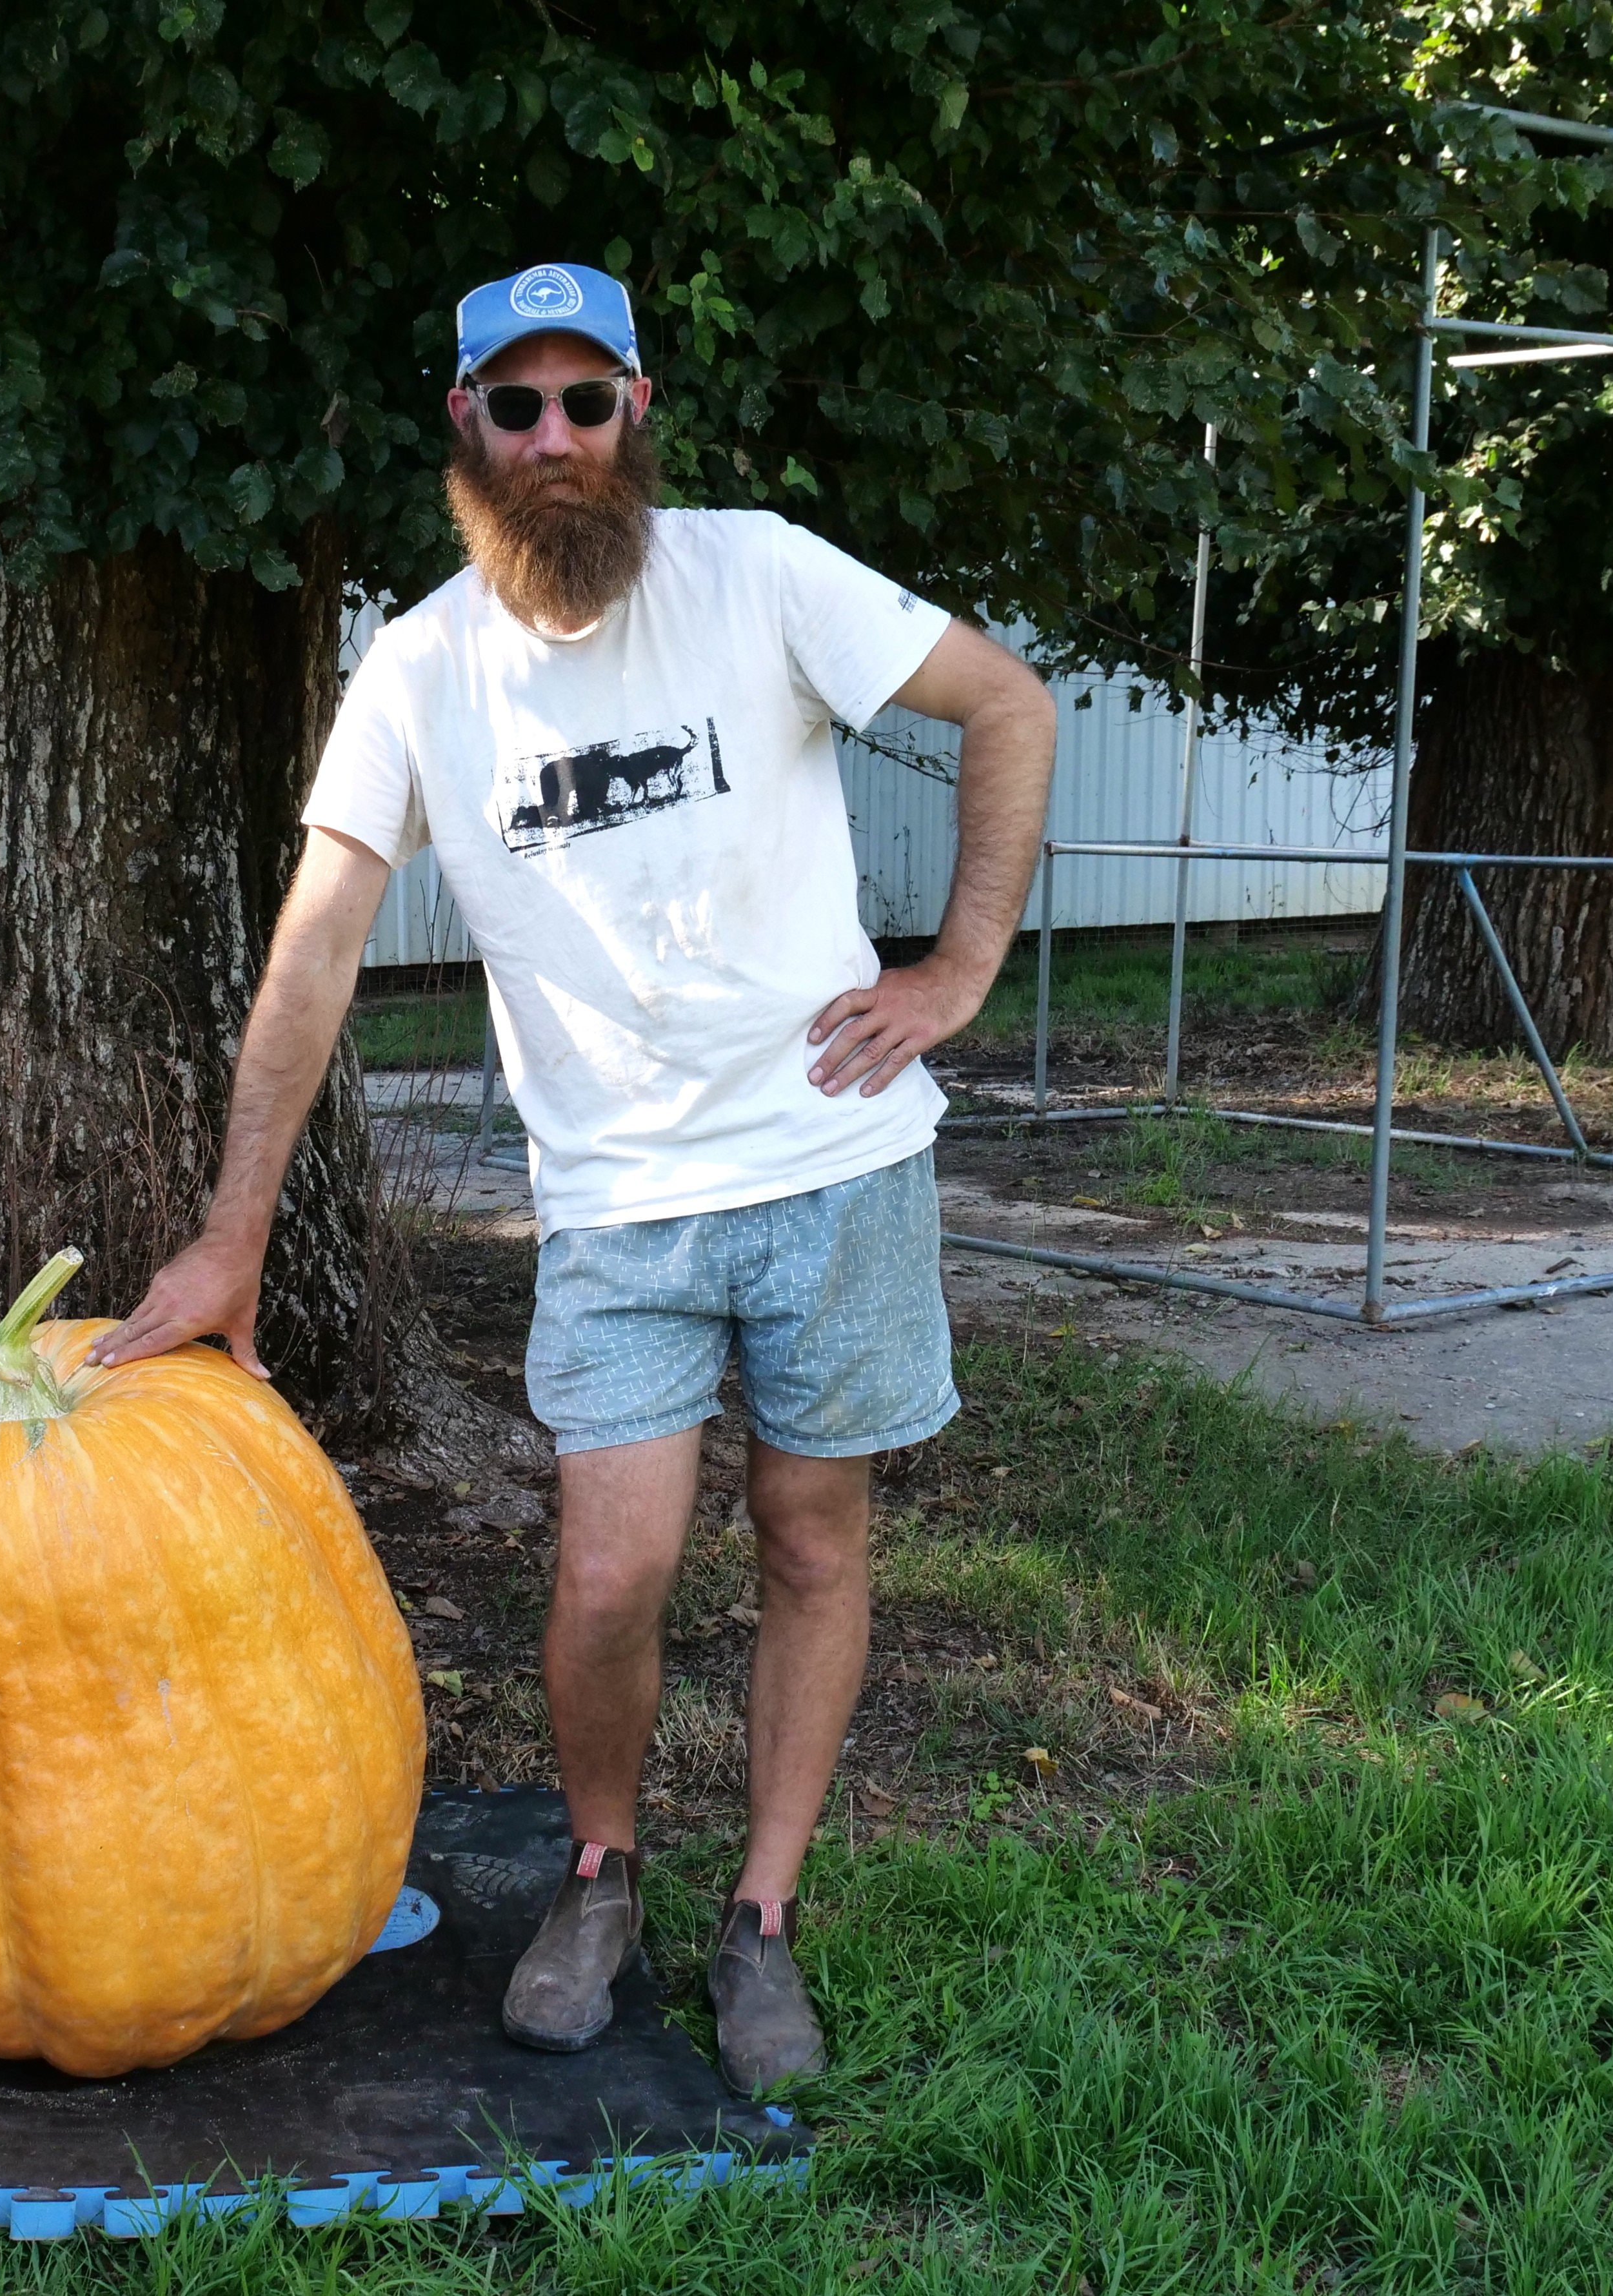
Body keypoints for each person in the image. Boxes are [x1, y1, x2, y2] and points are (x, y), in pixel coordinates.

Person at [90, 261, 1055, 2093]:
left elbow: (1007, 703)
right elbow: (312, 952)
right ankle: (600, 1872)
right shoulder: (422, 665)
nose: (554, 441)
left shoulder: (759, 572)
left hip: (833, 1164)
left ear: (635, 411)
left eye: (584, 402)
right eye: (512, 408)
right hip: (615, 1204)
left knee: (807, 1536)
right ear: (463, 428)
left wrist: (957, 970)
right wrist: (231, 1234)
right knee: (609, 1573)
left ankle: (760, 1913)